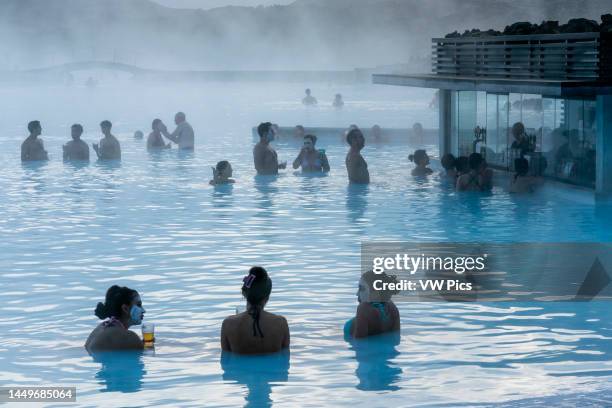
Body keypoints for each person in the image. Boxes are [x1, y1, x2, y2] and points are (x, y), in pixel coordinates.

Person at [221, 266, 290, 354]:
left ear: (244, 293)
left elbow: (226, 362)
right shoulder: (281, 323)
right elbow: (285, 361)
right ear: (267, 297)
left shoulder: (228, 324)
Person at [85, 285, 146, 352]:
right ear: (125, 309)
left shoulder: (101, 327)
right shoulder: (129, 337)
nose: (143, 310)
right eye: (139, 305)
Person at [345, 270, 400, 339]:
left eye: (361, 288)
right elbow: (396, 337)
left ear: (375, 294)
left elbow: (359, 343)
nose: (357, 293)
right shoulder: (392, 307)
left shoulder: (363, 309)